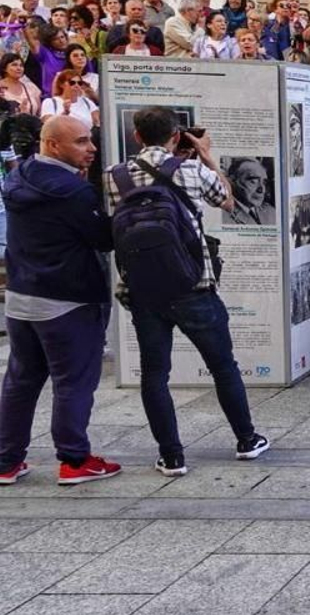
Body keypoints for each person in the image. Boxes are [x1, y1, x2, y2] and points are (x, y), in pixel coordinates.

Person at [107, 108, 271, 473]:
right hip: (193, 283)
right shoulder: (191, 169)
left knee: (154, 374)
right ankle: (246, 440)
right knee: (222, 366)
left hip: (142, 288)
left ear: (137, 136)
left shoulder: (113, 176)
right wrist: (208, 155)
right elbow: (228, 200)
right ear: (177, 136)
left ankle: (171, 455)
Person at [0, 116, 119, 485]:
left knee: (21, 381)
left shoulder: (19, 177)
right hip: (67, 300)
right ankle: (74, 459)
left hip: (21, 297)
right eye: (82, 142)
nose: (92, 148)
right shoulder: (73, 192)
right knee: (74, 382)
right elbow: (103, 238)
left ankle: (6, 461)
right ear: (53, 145)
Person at [222, 158, 272, 224]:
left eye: (264, 182)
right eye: (253, 181)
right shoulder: (223, 216)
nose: (261, 190)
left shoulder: (271, 211)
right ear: (232, 181)